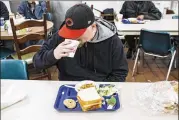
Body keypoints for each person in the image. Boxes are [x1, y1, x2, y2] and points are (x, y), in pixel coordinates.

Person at [33, 4, 128, 82]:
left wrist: (101, 89)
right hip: (68, 87)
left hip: (98, 88)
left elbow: (120, 74)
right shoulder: (61, 36)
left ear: (93, 27)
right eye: (70, 33)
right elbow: (37, 62)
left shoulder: (112, 41)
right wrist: (54, 54)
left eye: (78, 33)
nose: (72, 37)